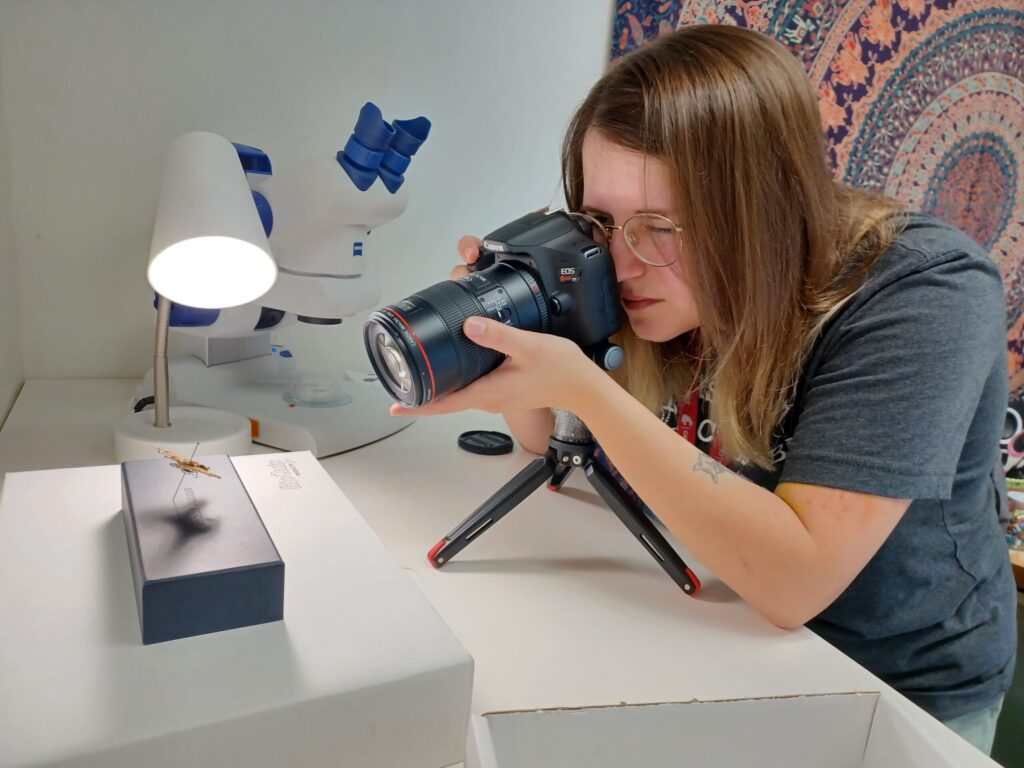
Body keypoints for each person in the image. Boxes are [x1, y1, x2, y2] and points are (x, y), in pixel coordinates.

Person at [391, 24, 1017, 753]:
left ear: (760, 213)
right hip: (714, 614)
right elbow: (541, 440)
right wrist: (517, 317)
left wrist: (589, 391)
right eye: (602, 221)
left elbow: (794, 581)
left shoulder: (925, 292)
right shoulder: (636, 265)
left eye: (660, 226)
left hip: (892, 685)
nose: (623, 262)